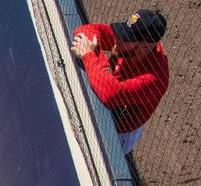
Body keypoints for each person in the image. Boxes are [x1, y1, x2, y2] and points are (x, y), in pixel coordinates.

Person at [70, 8, 169, 154]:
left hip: (118, 134)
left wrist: (90, 55)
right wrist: (102, 66)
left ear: (145, 46)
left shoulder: (155, 79)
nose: (119, 39)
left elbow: (110, 94)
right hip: (107, 99)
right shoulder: (129, 44)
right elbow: (85, 30)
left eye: (127, 38)